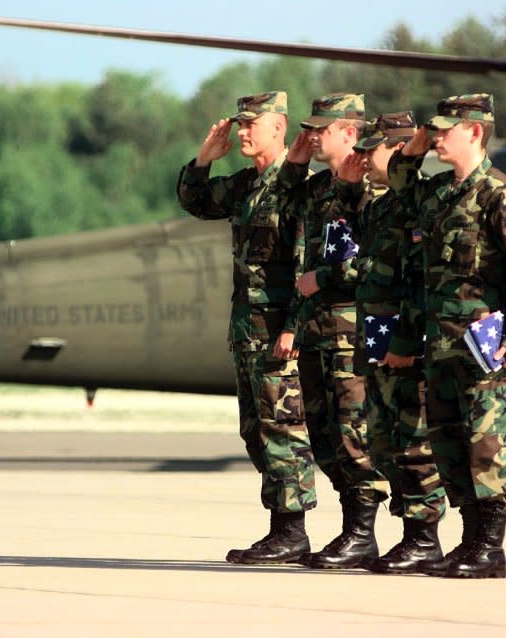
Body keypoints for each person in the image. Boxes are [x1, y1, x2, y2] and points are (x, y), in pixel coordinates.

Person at [388, 94, 506, 578]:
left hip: (484, 346)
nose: (436, 136)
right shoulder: (438, 193)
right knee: (448, 443)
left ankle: (489, 547)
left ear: (475, 132)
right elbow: (399, 183)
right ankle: (468, 542)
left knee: (485, 445)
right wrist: (415, 148)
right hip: (441, 344)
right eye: (433, 129)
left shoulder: (502, 195)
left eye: (444, 130)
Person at [177, 91, 316, 565]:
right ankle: (281, 528)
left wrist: (293, 327)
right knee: (255, 431)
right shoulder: (244, 186)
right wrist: (202, 160)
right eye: (239, 124)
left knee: (284, 430)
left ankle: (291, 531)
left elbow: (307, 262)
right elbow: (197, 202)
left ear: (278, 128)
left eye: (251, 124)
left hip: (279, 331)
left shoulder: (299, 187)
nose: (241, 132)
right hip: (248, 329)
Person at [278, 93, 389, 569]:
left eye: (321, 129)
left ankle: (362, 533)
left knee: (353, 433)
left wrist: (324, 279)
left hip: (354, 332)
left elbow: (380, 260)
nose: (314, 135)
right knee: (323, 436)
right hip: (319, 331)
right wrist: (293, 164)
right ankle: (353, 532)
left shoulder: (374, 187)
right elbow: (277, 209)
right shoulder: (319, 187)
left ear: (350, 131)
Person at [337, 112, 447, 574]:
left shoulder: (421, 205)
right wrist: (345, 187)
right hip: (377, 335)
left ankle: (424, 538)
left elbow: (421, 280)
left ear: (401, 152)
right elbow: (353, 250)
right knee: (383, 441)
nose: (363, 159)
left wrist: (405, 339)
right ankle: (409, 536)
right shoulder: (380, 206)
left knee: (415, 438)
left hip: (407, 337)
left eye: (373, 150)